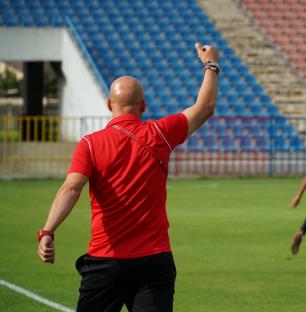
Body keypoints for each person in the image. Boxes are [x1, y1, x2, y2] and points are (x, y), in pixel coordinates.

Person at [36, 42, 220, 311]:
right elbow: (204, 107)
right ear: (143, 105)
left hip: (105, 262)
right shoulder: (160, 134)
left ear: (109, 104)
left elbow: (71, 188)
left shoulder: (90, 144)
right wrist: (211, 65)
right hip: (154, 261)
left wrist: (47, 231)